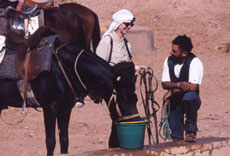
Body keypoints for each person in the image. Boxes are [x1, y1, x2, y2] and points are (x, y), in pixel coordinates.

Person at [75, 9, 136, 108]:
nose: (129, 27)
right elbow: (98, 66)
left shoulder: (126, 43)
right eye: (127, 24)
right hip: (112, 87)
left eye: (131, 25)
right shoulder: (107, 41)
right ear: (119, 23)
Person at [161, 35, 203, 142]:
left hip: (189, 100)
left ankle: (191, 130)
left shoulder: (195, 62)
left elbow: (193, 87)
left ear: (184, 53)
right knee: (176, 135)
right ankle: (177, 139)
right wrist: (179, 85)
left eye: (174, 51)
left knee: (190, 96)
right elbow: (165, 83)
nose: (171, 53)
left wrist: (173, 90)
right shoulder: (169, 61)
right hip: (175, 100)